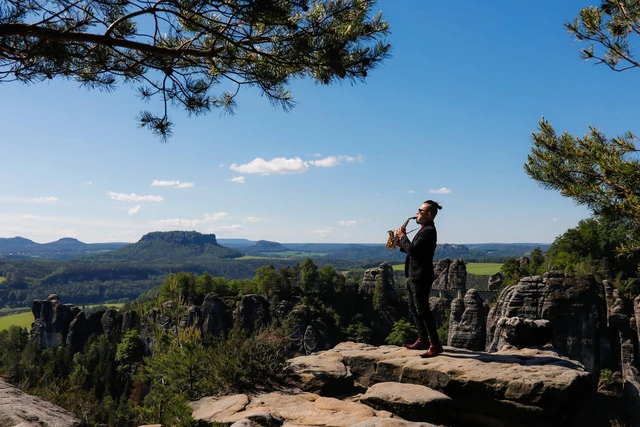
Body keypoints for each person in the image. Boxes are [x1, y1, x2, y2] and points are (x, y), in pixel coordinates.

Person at [396, 200, 444, 358]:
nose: (417, 213)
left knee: (423, 310)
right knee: (414, 309)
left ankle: (435, 345)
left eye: (420, 210)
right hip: (413, 275)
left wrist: (402, 237)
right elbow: (414, 252)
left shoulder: (429, 230)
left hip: (421, 276)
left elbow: (414, 251)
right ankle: (422, 339)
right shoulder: (424, 229)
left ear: (429, 214)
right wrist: (399, 243)